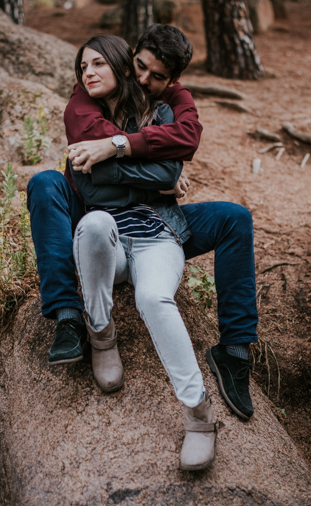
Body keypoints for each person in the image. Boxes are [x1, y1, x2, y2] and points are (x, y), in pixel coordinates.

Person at [26, 25, 259, 422]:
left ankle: (234, 350)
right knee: (45, 183)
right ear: (129, 57)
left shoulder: (167, 102)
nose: (145, 80)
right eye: (139, 68)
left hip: (155, 224)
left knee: (235, 218)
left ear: (173, 80)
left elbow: (186, 139)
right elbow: (92, 177)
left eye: (158, 76)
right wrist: (158, 171)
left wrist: (120, 149)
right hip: (99, 222)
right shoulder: (85, 98)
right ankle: (68, 315)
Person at [68, 35, 216, 470]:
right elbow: (90, 186)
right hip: (109, 244)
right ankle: (101, 332)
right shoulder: (83, 117)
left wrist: (112, 158)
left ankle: (199, 415)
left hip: (156, 234)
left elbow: (172, 168)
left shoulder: (163, 113)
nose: (89, 73)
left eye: (98, 64)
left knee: (153, 297)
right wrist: (151, 179)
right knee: (93, 222)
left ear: (119, 66)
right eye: (83, 67)